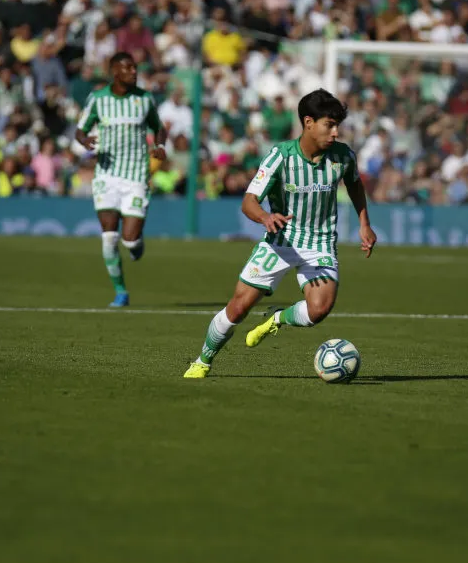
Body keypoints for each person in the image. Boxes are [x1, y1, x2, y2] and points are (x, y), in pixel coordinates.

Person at [183, 89, 377, 379]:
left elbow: (355, 185)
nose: (335, 132)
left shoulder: (343, 156)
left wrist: (364, 223)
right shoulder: (281, 156)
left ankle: (277, 318)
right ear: (308, 122)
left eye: (338, 125)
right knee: (238, 308)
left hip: (319, 242)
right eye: (330, 125)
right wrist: (265, 217)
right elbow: (249, 201)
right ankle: (203, 359)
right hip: (280, 241)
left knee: (319, 309)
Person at [75, 52, 168, 307]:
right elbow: (80, 130)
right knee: (108, 238)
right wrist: (85, 141)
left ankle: (136, 244)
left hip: (137, 174)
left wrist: (159, 144)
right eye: (127, 68)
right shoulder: (98, 99)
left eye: (135, 67)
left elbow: (159, 126)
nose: (133, 72)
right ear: (114, 71)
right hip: (106, 174)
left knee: (129, 239)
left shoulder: (144, 99)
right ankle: (120, 292)